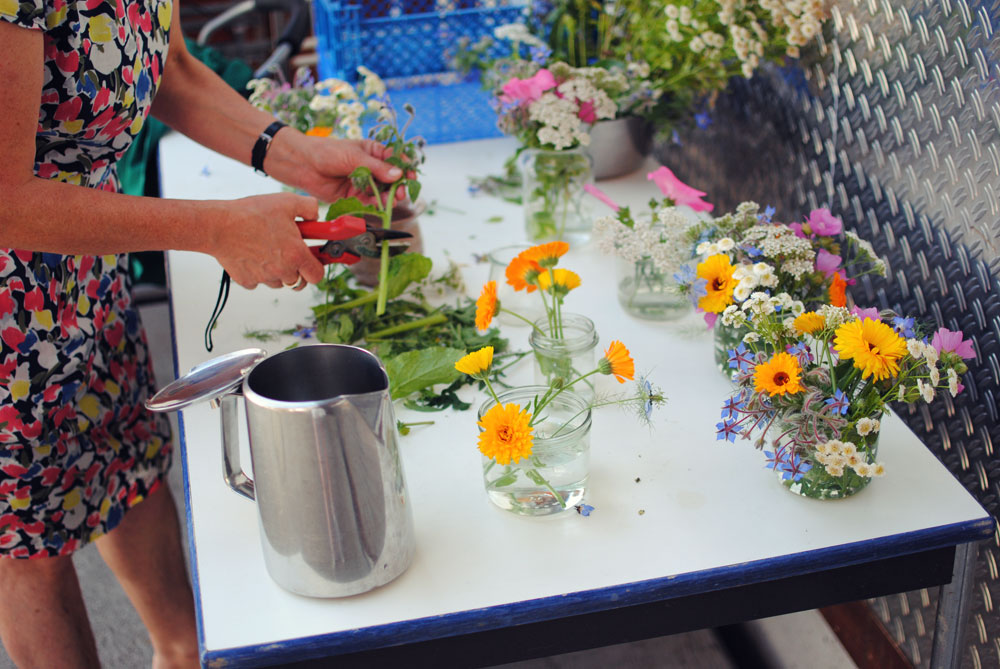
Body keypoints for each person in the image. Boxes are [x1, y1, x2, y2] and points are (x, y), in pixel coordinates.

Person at [0, 0, 404, 665]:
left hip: (89, 259)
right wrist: (215, 229)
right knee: (31, 548)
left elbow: (174, 70)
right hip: (13, 306)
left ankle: (182, 652)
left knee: (127, 462)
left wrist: (292, 154)